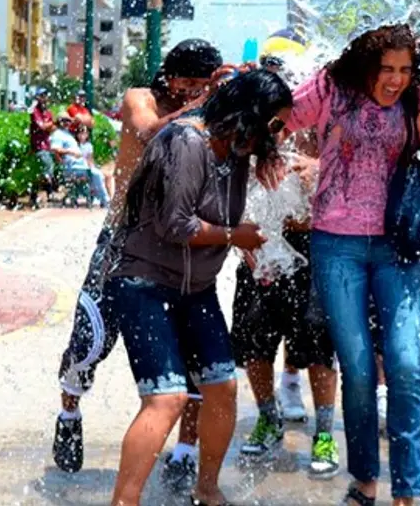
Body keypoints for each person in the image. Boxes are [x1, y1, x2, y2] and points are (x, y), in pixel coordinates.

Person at [107, 69, 292, 506]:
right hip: (145, 283)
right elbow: (175, 225)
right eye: (275, 124)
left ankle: (207, 489)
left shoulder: (236, 149)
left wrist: (248, 240)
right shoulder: (188, 141)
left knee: (222, 387)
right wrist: (235, 236)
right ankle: (124, 501)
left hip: (196, 289)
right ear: (250, 113)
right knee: (167, 398)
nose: (279, 134)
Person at [285, 24, 420, 506]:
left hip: (397, 245)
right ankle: (364, 481)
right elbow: (285, 116)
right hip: (336, 243)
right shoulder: (331, 86)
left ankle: (407, 491)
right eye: (387, 69)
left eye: (404, 69)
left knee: (405, 366)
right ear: (366, 66)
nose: (396, 79)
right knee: (357, 369)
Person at [52, 39, 227, 478]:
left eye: (203, 85)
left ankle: (184, 452)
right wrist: (205, 101)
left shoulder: (211, 114)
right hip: (122, 243)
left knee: (192, 357)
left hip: (178, 248)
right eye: (190, 84)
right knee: (89, 341)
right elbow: (150, 134)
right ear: (170, 77)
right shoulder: (140, 99)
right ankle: (69, 413)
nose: (195, 93)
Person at [232, 125, 341, 479]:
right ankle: (268, 419)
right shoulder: (265, 126)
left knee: (319, 339)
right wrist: (247, 248)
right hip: (264, 243)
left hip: (317, 248)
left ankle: (324, 434)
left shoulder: (332, 123)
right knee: (254, 337)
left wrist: (319, 167)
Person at [50, 113, 110, 208]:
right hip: (72, 167)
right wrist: (70, 152)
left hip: (81, 166)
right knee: (97, 174)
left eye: (68, 120)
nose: (67, 123)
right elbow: (54, 149)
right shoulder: (58, 134)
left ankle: (98, 198)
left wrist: (77, 119)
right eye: (64, 120)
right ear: (59, 122)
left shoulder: (68, 133)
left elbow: (86, 123)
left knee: (99, 173)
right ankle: (105, 200)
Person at [29, 87, 55, 202]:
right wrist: (51, 124)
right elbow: (42, 126)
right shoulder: (35, 111)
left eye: (45, 96)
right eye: (42, 96)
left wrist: (50, 125)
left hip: (47, 146)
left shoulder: (48, 113)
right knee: (46, 170)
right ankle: (48, 192)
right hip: (38, 146)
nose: (44, 98)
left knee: (42, 171)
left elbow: (51, 128)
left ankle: (36, 195)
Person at [76, 125, 114, 199]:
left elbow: (90, 159)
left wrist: (91, 167)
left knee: (103, 175)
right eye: (80, 133)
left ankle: (103, 196)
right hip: (78, 166)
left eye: (84, 133)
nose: (82, 136)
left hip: (87, 166)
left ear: (87, 135)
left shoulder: (89, 146)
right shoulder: (75, 145)